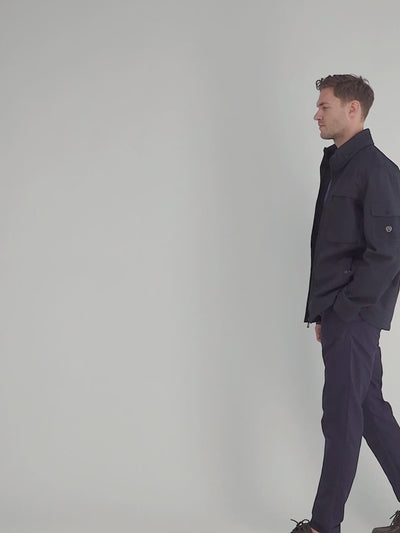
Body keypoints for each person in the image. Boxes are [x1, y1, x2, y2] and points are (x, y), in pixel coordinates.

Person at [291, 75, 400, 533]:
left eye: (325, 106)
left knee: (341, 416)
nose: (316, 114)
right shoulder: (339, 165)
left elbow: (388, 252)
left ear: (353, 109)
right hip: (342, 314)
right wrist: (324, 310)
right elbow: (336, 246)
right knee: (369, 409)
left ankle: (324, 526)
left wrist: (348, 307)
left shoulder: (375, 170)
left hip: (354, 316)